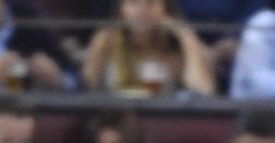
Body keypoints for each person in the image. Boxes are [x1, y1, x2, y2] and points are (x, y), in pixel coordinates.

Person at [82, 0, 216, 96]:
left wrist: (185, 36)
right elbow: (86, 89)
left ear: (165, 9)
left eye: (150, 3)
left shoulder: (176, 48)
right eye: (133, 3)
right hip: (115, 120)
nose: (142, 11)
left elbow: (203, 92)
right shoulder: (105, 40)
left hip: (160, 121)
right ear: (121, 9)